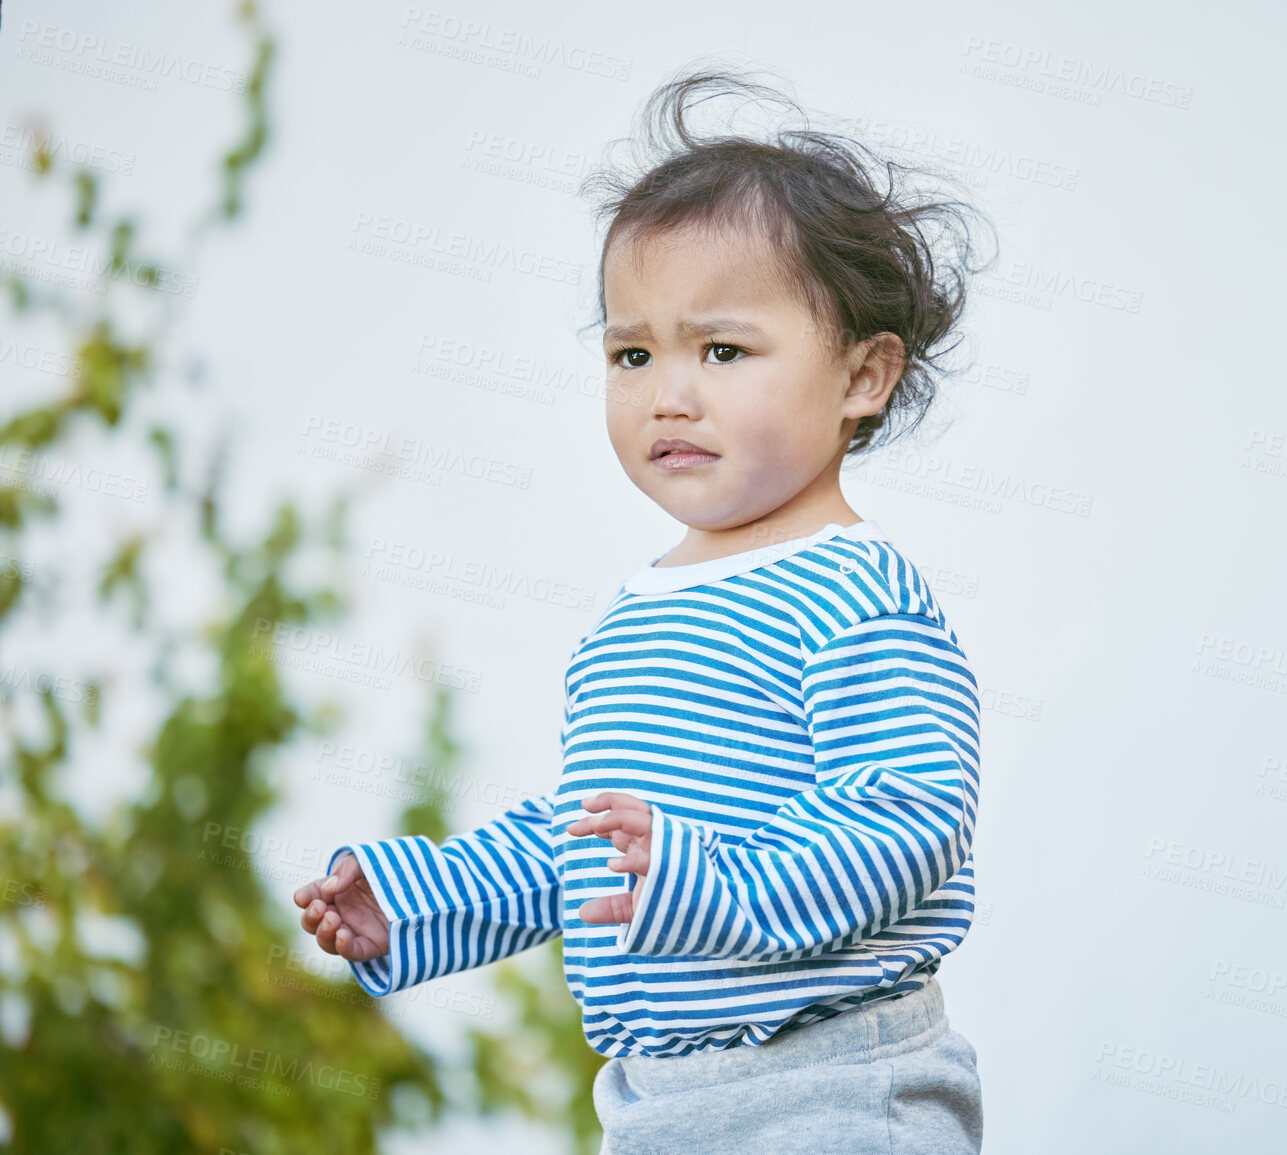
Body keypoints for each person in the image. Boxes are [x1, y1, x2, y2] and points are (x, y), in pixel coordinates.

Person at [293, 62, 996, 1154]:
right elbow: (588, 849)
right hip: (657, 1101)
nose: (670, 391)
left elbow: (905, 824)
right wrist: (414, 902)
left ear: (865, 375)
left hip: (831, 1086)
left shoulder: (858, 593)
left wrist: (694, 880)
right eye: (633, 353)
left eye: (723, 350)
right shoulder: (635, 619)